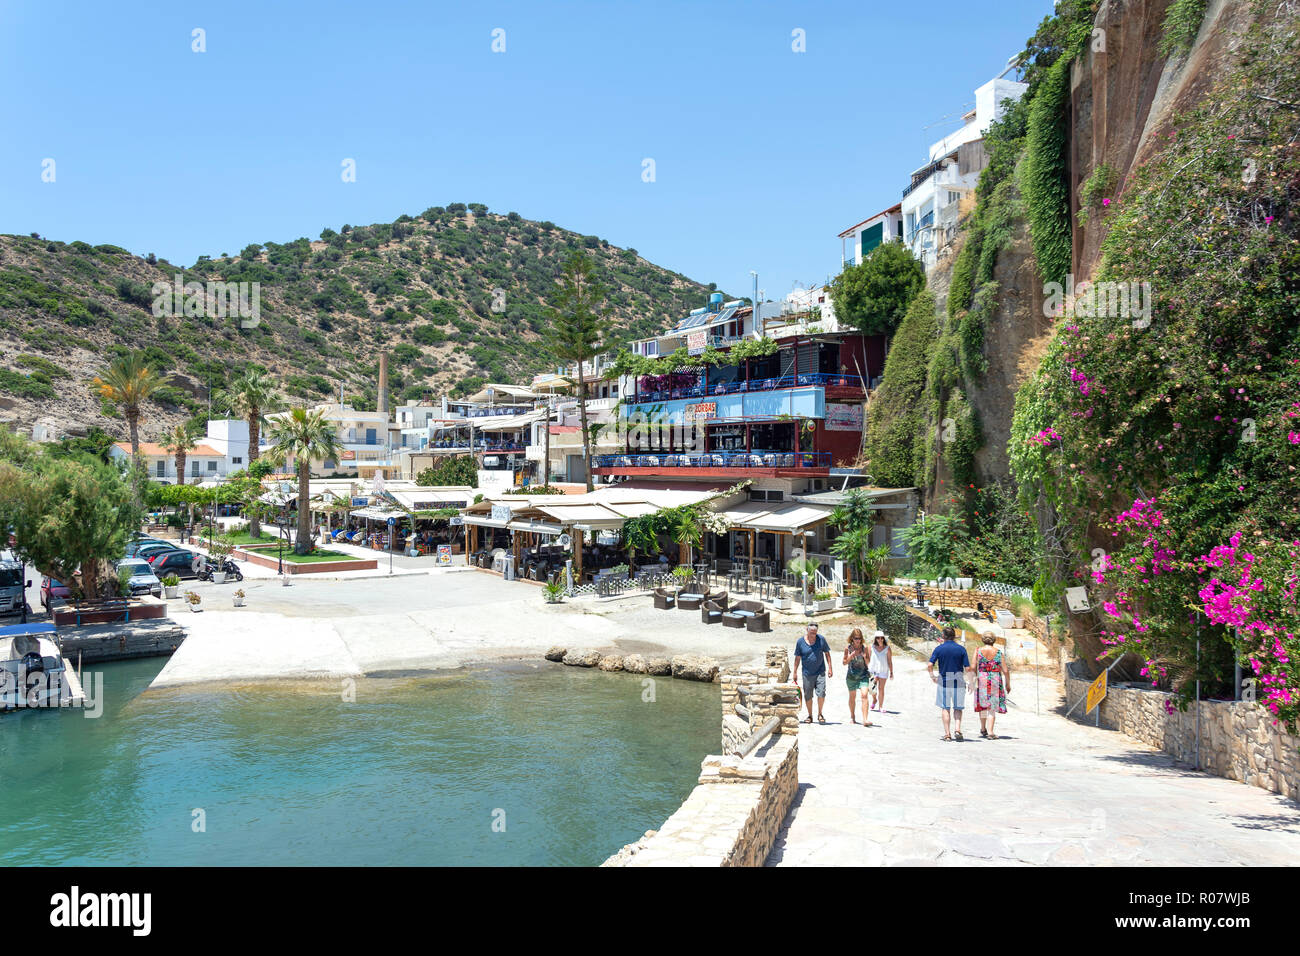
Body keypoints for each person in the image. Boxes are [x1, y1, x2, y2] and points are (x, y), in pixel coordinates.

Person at [927, 625, 971, 741]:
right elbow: (967, 667)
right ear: (954, 636)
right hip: (958, 680)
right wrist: (971, 682)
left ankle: (947, 734)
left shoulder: (939, 649)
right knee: (958, 708)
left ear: (943, 636)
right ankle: (957, 729)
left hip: (944, 680)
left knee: (945, 708)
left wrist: (933, 677)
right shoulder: (961, 649)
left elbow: (930, 664)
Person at [792, 623, 833, 724]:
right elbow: (797, 658)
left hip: (820, 671)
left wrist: (830, 668)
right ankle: (810, 715)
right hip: (807, 673)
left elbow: (827, 654)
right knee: (808, 695)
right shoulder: (800, 642)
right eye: (811, 633)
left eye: (815, 633)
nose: (813, 635)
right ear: (807, 630)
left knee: (821, 693)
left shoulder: (821, 639)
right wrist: (794, 672)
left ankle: (820, 714)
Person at [972, 633, 1010, 738]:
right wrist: (1008, 684)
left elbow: (972, 666)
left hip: (982, 679)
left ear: (983, 640)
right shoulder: (998, 652)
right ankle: (991, 731)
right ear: (994, 640)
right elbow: (1005, 670)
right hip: (995, 679)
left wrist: (975, 677)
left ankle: (983, 728)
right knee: (992, 706)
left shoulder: (978, 651)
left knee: (983, 705)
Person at [843, 628, 873, 726]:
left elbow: (869, 663)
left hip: (863, 675)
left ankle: (865, 719)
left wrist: (865, 657)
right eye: (856, 638)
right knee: (852, 697)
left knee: (864, 695)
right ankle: (852, 716)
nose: (858, 640)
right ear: (852, 638)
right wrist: (850, 656)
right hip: (851, 676)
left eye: (859, 638)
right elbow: (844, 663)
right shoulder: (848, 648)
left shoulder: (865, 648)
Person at [869, 630, 894, 713]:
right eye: (878, 638)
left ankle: (881, 707)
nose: (880, 639)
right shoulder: (871, 647)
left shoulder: (887, 648)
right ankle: (874, 699)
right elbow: (868, 659)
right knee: (872, 689)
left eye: (881, 638)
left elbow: (890, 661)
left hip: (884, 670)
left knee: (881, 689)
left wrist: (891, 672)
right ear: (875, 639)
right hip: (873, 671)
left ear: (883, 639)